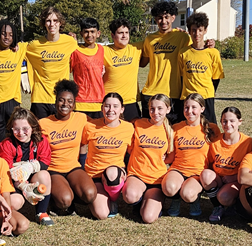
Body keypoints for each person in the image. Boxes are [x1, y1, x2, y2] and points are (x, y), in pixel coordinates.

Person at [38, 80, 96, 216]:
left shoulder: (81, 118)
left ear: (74, 104)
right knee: (65, 200)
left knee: (90, 194)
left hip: (73, 167)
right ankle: (55, 199)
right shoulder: (44, 123)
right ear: (55, 102)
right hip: (53, 169)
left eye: (70, 101)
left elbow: (100, 126)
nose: (65, 104)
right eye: (61, 100)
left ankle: (70, 190)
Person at [163, 93, 219, 217]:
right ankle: (175, 200)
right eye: (186, 108)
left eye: (194, 107)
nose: (190, 111)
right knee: (169, 188)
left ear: (202, 109)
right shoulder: (176, 128)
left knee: (188, 194)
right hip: (178, 169)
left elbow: (218, 152)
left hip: (198, 173)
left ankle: (195, 199)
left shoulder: (211, 129)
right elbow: (171, 153)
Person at [0, 107, 54, 226]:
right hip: (12, 182)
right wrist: (23, 186)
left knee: (45, 175)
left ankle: (41, 212)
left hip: (31, 177)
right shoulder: (6, 144)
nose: (21, 133)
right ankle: (2, 218)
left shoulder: (41, 140)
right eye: (16, 129)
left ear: (33, 128)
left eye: (25, 128)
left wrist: (29, 167)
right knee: (16, 202)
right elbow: (5, 171)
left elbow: (45, 162)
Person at [82, 92, 135, 220]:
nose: (111, 110)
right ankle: (95, 197)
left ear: (122, 109)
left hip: (115, 173)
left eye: (115, 106)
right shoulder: (90, 126)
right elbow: (82, 147)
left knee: (111, 173)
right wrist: (81, 168)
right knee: (101, 214)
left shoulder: (129, 128)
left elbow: (134, 151)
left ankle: (113, 199)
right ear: (102, 108)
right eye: (107, 106)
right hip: (94, 174)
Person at [123, 94, 174, 224]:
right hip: (137, 175)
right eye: (152, 109)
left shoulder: (170, 131)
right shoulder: (138, 124)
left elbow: (171, 157)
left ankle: (150, 202)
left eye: (160, 109)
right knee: (130, 196)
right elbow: (128, 147)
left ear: (168, 109)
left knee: (148, 218)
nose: (155, 113)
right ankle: (140, 200)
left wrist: (163, 159)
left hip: (156, 179)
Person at [202, 107, 252, 223]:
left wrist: (235, 177)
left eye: (232, 121)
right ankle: (217, 207)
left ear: (239, 121)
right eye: (224, 121)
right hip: (220, 179)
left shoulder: (248, 143)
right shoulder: (215, 141)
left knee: (224, 197)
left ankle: (234, 204)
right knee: (205, 174)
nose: (228, 124)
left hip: (237, 181)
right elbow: (210, 164)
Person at [26, 6, 79, 119]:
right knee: (40, 135)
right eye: (48, 21)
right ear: (44, 23)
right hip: (40, 98)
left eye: (55, 21)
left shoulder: (70, 42)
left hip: (61, 98)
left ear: (60, 23)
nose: (51, 24)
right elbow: (16, 51)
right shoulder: (34, 45)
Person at [141, 1, 189, 123]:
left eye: (166, 17)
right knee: (150, 132)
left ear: (173, 17)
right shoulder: (150, 39)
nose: (163, 21)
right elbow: (143, 62)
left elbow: (196, 51)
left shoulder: (182, 37)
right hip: (151, 92)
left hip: (173, 93)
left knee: (173, 133)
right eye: (159, 18)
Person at [178, 12, 224, 124]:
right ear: (189, 31)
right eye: (193, 30)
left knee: (210, 128)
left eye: (200, 30)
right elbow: (181, 76)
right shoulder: (183, 53)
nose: (196, 33)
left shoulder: (213, 52)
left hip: (206, 97)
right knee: (187, 127)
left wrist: (208, 92)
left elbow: (216, 78)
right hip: (187, 97)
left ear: (205, 30)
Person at [102, 18, 145, 121]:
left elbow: (157, 39)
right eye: (120, 33)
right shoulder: (103, 51)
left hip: (130, 102)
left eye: (126, 32)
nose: (124, 36)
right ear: (112, 35)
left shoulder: (136, 48)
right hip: (110, 103)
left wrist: (176, 31)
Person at [71, 17, 106, 119]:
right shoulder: (75, 51)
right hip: (80, 101)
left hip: (99, 102)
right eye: (86, 32)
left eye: (92, 32)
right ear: (81, 33)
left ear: (98, 33)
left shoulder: (102, 50)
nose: (89, 35)